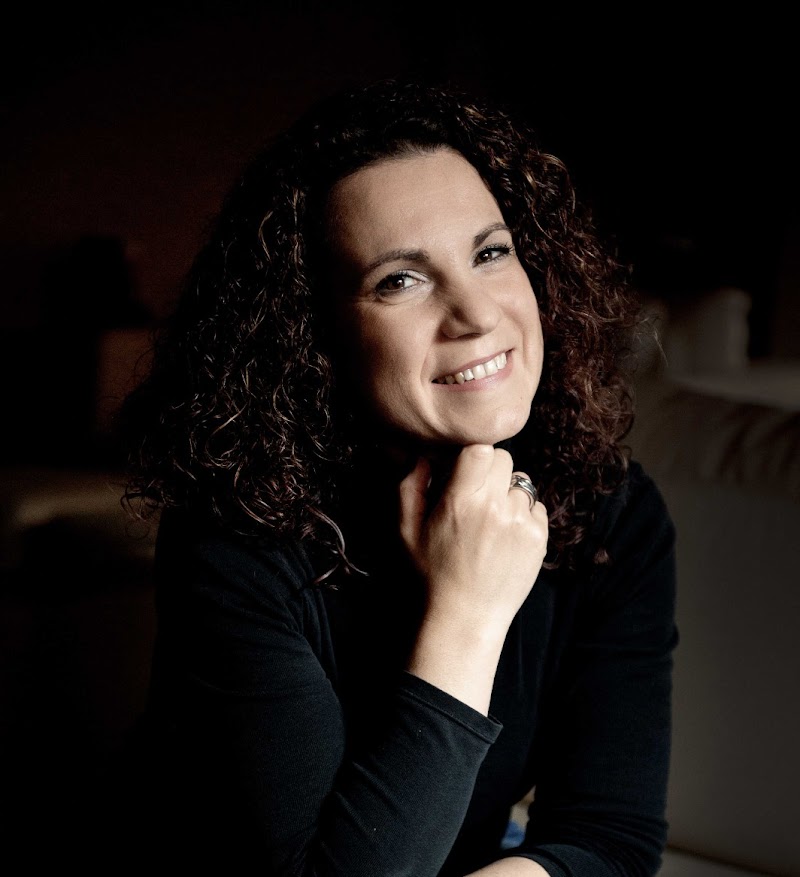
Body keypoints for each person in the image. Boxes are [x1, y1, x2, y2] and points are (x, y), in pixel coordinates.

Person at [111, 76, 677, 876]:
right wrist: (469, 612)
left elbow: (609, 837)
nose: (477, 314)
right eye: (400, 280)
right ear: (316, 336)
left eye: (490, 252)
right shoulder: (233, 540)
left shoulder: (612, 512)